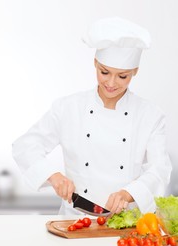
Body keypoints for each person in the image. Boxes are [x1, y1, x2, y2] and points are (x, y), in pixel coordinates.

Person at [12, 17, 172, 215]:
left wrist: (128, 193)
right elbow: (26, 146)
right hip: (74, 220)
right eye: (105, 72)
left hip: (123, 223)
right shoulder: (68, 108)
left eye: (122, 76)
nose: (111, 83)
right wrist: (53, 176)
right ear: (95, 63)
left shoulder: (150, 115)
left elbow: (160, 169)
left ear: (135, 72)